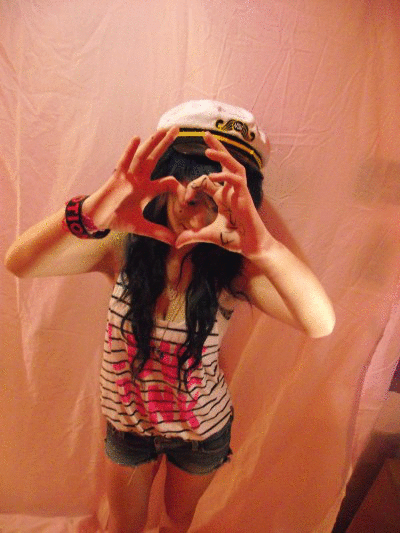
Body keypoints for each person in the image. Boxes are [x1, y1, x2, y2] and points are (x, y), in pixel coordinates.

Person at [4, 100, 335, 533]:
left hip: (202, 434)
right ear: (161, 177)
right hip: (128, 429)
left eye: (214, 193)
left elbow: (320, 323)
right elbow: (19, 263)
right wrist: (92, 210)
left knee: (176, 522)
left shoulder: (233, 269)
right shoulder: (121, 245)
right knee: (124, 526)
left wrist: (266, 248)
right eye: (184, 181)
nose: (193, 207)